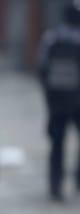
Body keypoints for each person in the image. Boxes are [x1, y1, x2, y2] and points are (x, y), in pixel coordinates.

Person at [38, 1, 80, 201]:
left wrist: (49, 97)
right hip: (78, 100)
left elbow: (42, 70)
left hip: (58, 100)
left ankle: (56, 185)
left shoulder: (51, 38)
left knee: (57, 144)